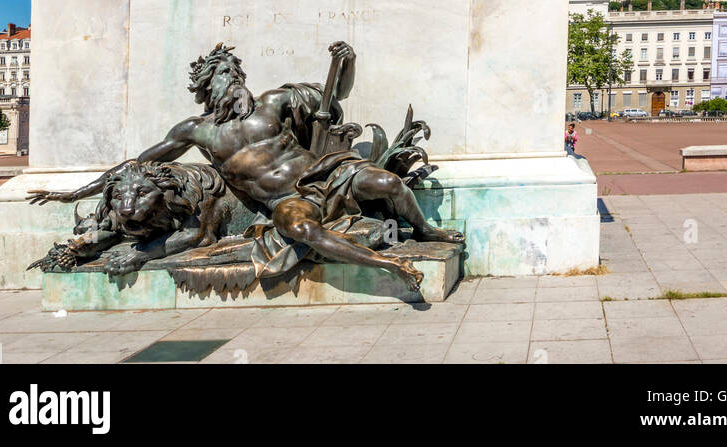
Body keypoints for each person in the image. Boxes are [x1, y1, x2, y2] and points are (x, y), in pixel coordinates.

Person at [30, 40, 462, 292]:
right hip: (288, 201)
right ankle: (389, 267)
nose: (232, 82)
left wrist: (346, 60)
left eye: (234, 73)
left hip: (326, 174)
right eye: (221, 77)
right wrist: (73, 193)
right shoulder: (196, 131)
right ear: (205, 90)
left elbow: (337, 96)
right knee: (301, 231)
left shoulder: (275, 101)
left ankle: (426, 230)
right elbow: (134, 165)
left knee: (387, 183)